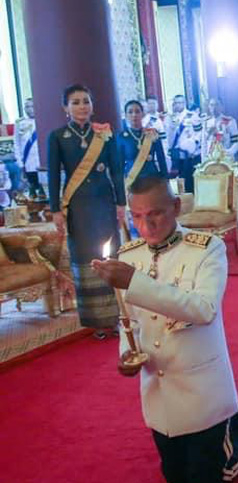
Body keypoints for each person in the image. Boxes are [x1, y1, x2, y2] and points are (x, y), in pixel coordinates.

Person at [92, 175, 238, 483]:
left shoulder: (206, 249)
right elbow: (128, 319)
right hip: (160, 393)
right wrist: (126, 352)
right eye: (136, 216)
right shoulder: (129, 255)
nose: (145, 225)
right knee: (176, 479)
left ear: (176, 207)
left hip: (201, 390)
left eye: (155, 214)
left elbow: (204, 309)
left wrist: (135, 282)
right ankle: (230, 422)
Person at [47, 84, 125, 334]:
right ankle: (95, 322)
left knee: (109, 255)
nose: (82, 106)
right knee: (84, 259)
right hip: (78, 209)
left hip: (103, 204)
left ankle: (115, 316)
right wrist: (56, 209)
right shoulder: (57, 137)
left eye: (86, 101)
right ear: (65, 108)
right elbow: (53, 177)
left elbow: (116, 170)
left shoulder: (103, 134)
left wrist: (121, 202)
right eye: (76, 102)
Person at [118, 100, 168, 189]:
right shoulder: (122, 137)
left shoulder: (152, 134)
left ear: (143, 114)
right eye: (130, 112)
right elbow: (120, 164)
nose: (134, 115)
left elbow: (161, 159)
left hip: (152, 180)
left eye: (137, 111)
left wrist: (165, 180)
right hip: (132, 181)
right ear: (125, 115)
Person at [165, 94, 202, 192]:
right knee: (176, 181)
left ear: (184, 103)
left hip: (188, 154)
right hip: (175, 154)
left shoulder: (192, 116)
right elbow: (167, 136)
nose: (178, 105)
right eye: (176, 103)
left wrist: (193, 144)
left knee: (188, 181)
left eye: (180, 102)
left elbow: (199, 133)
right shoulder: (169, 118)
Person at [14, 98, 42, 200]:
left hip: (41, 163)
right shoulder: (20, 123)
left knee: (44, 191)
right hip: (28, 163)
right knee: (32, 193)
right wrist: (20, 163)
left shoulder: (43, 120)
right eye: (27, 106)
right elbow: (17, 143)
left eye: (32, 106)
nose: (30, 109)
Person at [200, 97, 238, 162]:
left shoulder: (229, 121)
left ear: (221, 107)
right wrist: (203, 160)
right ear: (209, 107)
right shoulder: (206, 122)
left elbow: (236, 141)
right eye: (211, 105)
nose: (214, 107)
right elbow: (204, 143)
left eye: (216, 105)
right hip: (210, 158)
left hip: (225, 157)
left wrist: (229, 152)